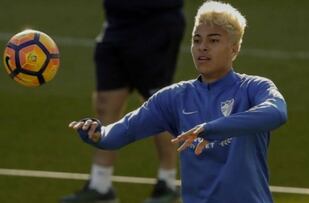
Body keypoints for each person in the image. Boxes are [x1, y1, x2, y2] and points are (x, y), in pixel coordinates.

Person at [68, 1, 288, 202]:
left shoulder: (254, 88)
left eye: (213, 40)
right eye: (196, 40)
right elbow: (124, 131)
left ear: (234, 48)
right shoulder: (174, 97)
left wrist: (212, 128)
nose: (202, 47)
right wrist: (97, 134)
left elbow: (276, 113)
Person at [60, 0, 185, 203]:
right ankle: (100, 186)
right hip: (117, 22)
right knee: (105, 102)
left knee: (158, 103)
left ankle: (167, 184)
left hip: (156, 21)